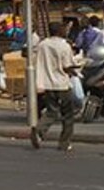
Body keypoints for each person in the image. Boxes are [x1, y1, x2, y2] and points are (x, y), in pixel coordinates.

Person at [32, 22, 77, 152]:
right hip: (62, 84)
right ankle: (64, 143)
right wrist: (75, 69)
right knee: (68, 115)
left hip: (47, 84)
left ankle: (39, 130)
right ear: (60, 31)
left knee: (51, 111)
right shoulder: (64, 46)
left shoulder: (42, 45)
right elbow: (67, 66)